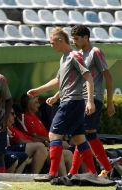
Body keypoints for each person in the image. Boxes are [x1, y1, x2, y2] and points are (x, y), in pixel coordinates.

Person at [27, 27, 96, 180]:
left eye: (52, 43)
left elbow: (89, 78)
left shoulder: (74, 56)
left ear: (60, 41)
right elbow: (60, 81)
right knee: (79, 139)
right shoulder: (64, 57)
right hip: (72, 102)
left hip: (71, 102)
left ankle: (52, 174)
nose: (51, 46)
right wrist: (41, 91)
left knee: (53, 135)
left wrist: (90, 101)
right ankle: (92, 173)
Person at [68, 25, 116, 178]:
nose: (74, 42)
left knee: (85, 134)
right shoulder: (78, 54)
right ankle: (77, 172)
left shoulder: (96, 52)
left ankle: (104, 169)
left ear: (85, 38)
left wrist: (110, 102)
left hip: (93, 98)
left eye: (76, 39)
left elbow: (108, 77)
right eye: (73, 39)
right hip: (80, 99)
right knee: (83, 135)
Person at [19, 93, 73, 176]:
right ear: (28, 103)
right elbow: (32, 136)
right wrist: (50, 141)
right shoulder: (24, 116)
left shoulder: (37, 118)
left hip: (48, 146)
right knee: (58, 152)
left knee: (68, 153)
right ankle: (62, 177)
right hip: (41, 148)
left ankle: (70, 178)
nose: (38, 102)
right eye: (35, 99)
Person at [7, 108, 48, 174]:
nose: (14, 116)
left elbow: (30, 138)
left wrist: (44, 142)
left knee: (66, 153)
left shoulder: (14, 128)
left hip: (25, 148)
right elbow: (18, 141)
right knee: (40, 147)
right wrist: (42, 143)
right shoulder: (6, 128)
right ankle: (34, 176)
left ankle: (64, 177)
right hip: (10, 150)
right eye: (12, 113)